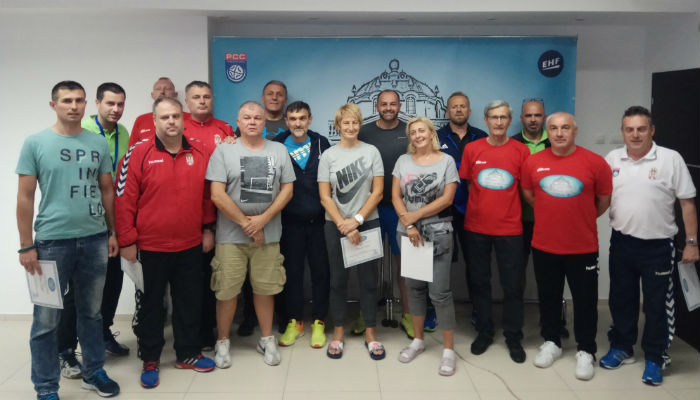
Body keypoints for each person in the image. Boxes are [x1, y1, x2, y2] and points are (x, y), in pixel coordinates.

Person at [16, 80, 120, 399]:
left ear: (86, 103)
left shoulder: (97, 143)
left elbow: (107, 190)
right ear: (54, 105)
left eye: (79, 100)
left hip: (94, 240)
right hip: (51, 243)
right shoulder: (36, 143)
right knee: (46, 320)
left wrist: (112, 232)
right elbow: (24, 197)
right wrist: (26, 245)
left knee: (91, 313)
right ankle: (46, 387)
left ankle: (93, 371)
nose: (74, 106)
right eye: (66, 101)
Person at [116, 97, 216, 389]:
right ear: (155, 121)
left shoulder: (199, 152)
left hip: (190, 244)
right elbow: (123, 200)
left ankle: (187, 353)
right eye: (164, 117)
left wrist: (207, 228)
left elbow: (207, 196)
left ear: (183, 119)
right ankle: (150, 358)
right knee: (151, 306)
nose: (171, 121)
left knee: (189, 301)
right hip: (149, 247)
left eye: (175, 116)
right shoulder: (138, 153)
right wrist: (127, 240)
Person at [600, 105, 698, 385]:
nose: (635, 134)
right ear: (622, 131)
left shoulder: (671, 159)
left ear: (651, 130)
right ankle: (622, 347)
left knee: (656, 305)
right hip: (621, 243)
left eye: (641, 129)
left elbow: (687, 203)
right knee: (621, 298)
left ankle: (655, 357)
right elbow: (601, 197)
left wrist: (691, 242)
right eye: (629, 129)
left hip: (658, 246)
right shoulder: (612, 159)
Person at [521, 112, 612, 381]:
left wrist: (579, 216)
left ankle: (586, 350)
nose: (559, 133)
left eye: (565, 128)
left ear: (575, 131)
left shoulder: (595, 163)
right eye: (554, 128)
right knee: (548, 296)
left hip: (582, 246)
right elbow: (529, 194)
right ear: (547, 132)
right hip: (544, 244)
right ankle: (552, 342)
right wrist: (552, 213)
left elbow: (603, 200)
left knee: (585, 301)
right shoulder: (533, 162)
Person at [206, 101, 295, 368]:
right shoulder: (224, 150)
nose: (252, 121)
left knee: (265, 289)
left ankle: (266, 339)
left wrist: (263, 220)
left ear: (265, 122)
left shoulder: (278, 150)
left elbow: (288, 190)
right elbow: (216, 194)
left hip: (269, 235)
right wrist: (247, 224)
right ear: (238, 121)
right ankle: (223, 341)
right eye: (247, 117)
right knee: (227, 291)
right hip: (230, 237)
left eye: (257, 117)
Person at [56, 83, 131, 381]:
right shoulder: (81, 131)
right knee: (76, 293)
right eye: (110, 103)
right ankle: (65, 350)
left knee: (112, 282)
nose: (115, 109)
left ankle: (102, 333)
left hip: (110, 222)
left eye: (120, 104)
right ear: (97, 103)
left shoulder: (123, 132)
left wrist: (115, 227)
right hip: (81, 224)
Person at [459, 100, 530, 363]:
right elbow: (469, 185)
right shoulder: (472, 149)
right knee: (479, 282)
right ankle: (485, 332)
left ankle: (513, 335)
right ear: (486, 120)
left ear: (510, 121)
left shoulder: (521, 151)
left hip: (510, 228)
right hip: (476, 227)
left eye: (503, 117)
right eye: (494, 117)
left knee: (512, 285)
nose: (498, 122)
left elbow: (525, 189)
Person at [392, 117, 459, 375]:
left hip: (438, 233)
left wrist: (416, 216)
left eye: (422, 130)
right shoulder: (403, 161)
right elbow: (396, 196)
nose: (418, 135)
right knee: (415, 289)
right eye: (413, 132)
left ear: (431, 133)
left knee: (440, 293)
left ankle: (448, 350)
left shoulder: (446, 161)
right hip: (411, 234)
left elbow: (447, 199)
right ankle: (418, 341)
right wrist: (409, 224)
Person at [319, 103, 385, 360]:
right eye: (345, 123)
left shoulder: (372, 152)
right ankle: (338, 334)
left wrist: (356, 220)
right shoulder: (329, 156)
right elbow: (325, 196)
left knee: (368, 281)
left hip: (367, 222)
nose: (350, 127)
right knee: (338, 281)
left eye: (354, 122)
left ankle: (370, 333)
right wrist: (343, 225)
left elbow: (377, 192)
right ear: (338, 126)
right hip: (335, 225)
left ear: (360, 124)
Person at [272, 101, 331, 348]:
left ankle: (319, 320)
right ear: (286, 121)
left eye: (302, 118)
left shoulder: (321, 143)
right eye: (293, 119)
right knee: (292, 273)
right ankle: (294, 321)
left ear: (310, 119)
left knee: (321, 272)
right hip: (289, 222)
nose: (298, 123)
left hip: (319, 222)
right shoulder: (276, 145)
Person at [183, 80, 235, 350]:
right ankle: (192, 333)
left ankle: (211, 330)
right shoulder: (177, 127)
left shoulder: (224, 128)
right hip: (187, 213)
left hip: (220, 214)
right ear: (187, 101)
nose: (202, 101)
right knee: (191, 280)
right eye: (196, 97)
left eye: (206, 96)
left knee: (216, 276)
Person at [358, 89, 413, 337]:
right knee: (367, 265)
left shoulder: (409, 131)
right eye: (384, 104)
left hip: (403, 209)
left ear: (399, 106)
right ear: (376, 106)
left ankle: (409, 315)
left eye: (393, 104)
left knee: (407, 265)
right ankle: (365, 314)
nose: (388, 108)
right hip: (371, 207)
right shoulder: (364, 132)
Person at [512, 99, 570, 339]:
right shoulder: (513, 143)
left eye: (537, 115)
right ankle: (515, 323)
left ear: (544, 117)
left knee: (552, 275)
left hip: (551, 222)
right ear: (522, 118)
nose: (533, 119)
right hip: (518, 221)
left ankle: (554, 322)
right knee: (516, 274)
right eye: (528, 115)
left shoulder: (556, 141)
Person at [236, 80, 289, 335]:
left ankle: (282, 316)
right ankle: (249, 317)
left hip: (282, 211)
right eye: (270, 94)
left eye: (280, 94)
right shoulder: (244, 130)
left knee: (276, 268)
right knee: (251, 271)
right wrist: (254, 221)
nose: (275, 98)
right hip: (249, 213)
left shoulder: (290, 126)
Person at [436, 91, 488, 329]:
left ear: (469, 111)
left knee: (476, 264)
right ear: (447, 111)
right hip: (442, 210)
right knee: (438, 263)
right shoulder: (436, 137)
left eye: (463, 106)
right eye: (454, 106)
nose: (458, 110)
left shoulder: (482, 137)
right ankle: (433, 310)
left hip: (474, 211)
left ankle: (479, 310)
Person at [129, 77, 189, 146]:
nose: (162, 92)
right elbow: (132, 148)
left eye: (167, 89)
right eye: (158, 89)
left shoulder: (189, 118)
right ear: (152, 95)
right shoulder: (141, 120)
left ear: (175, 94)